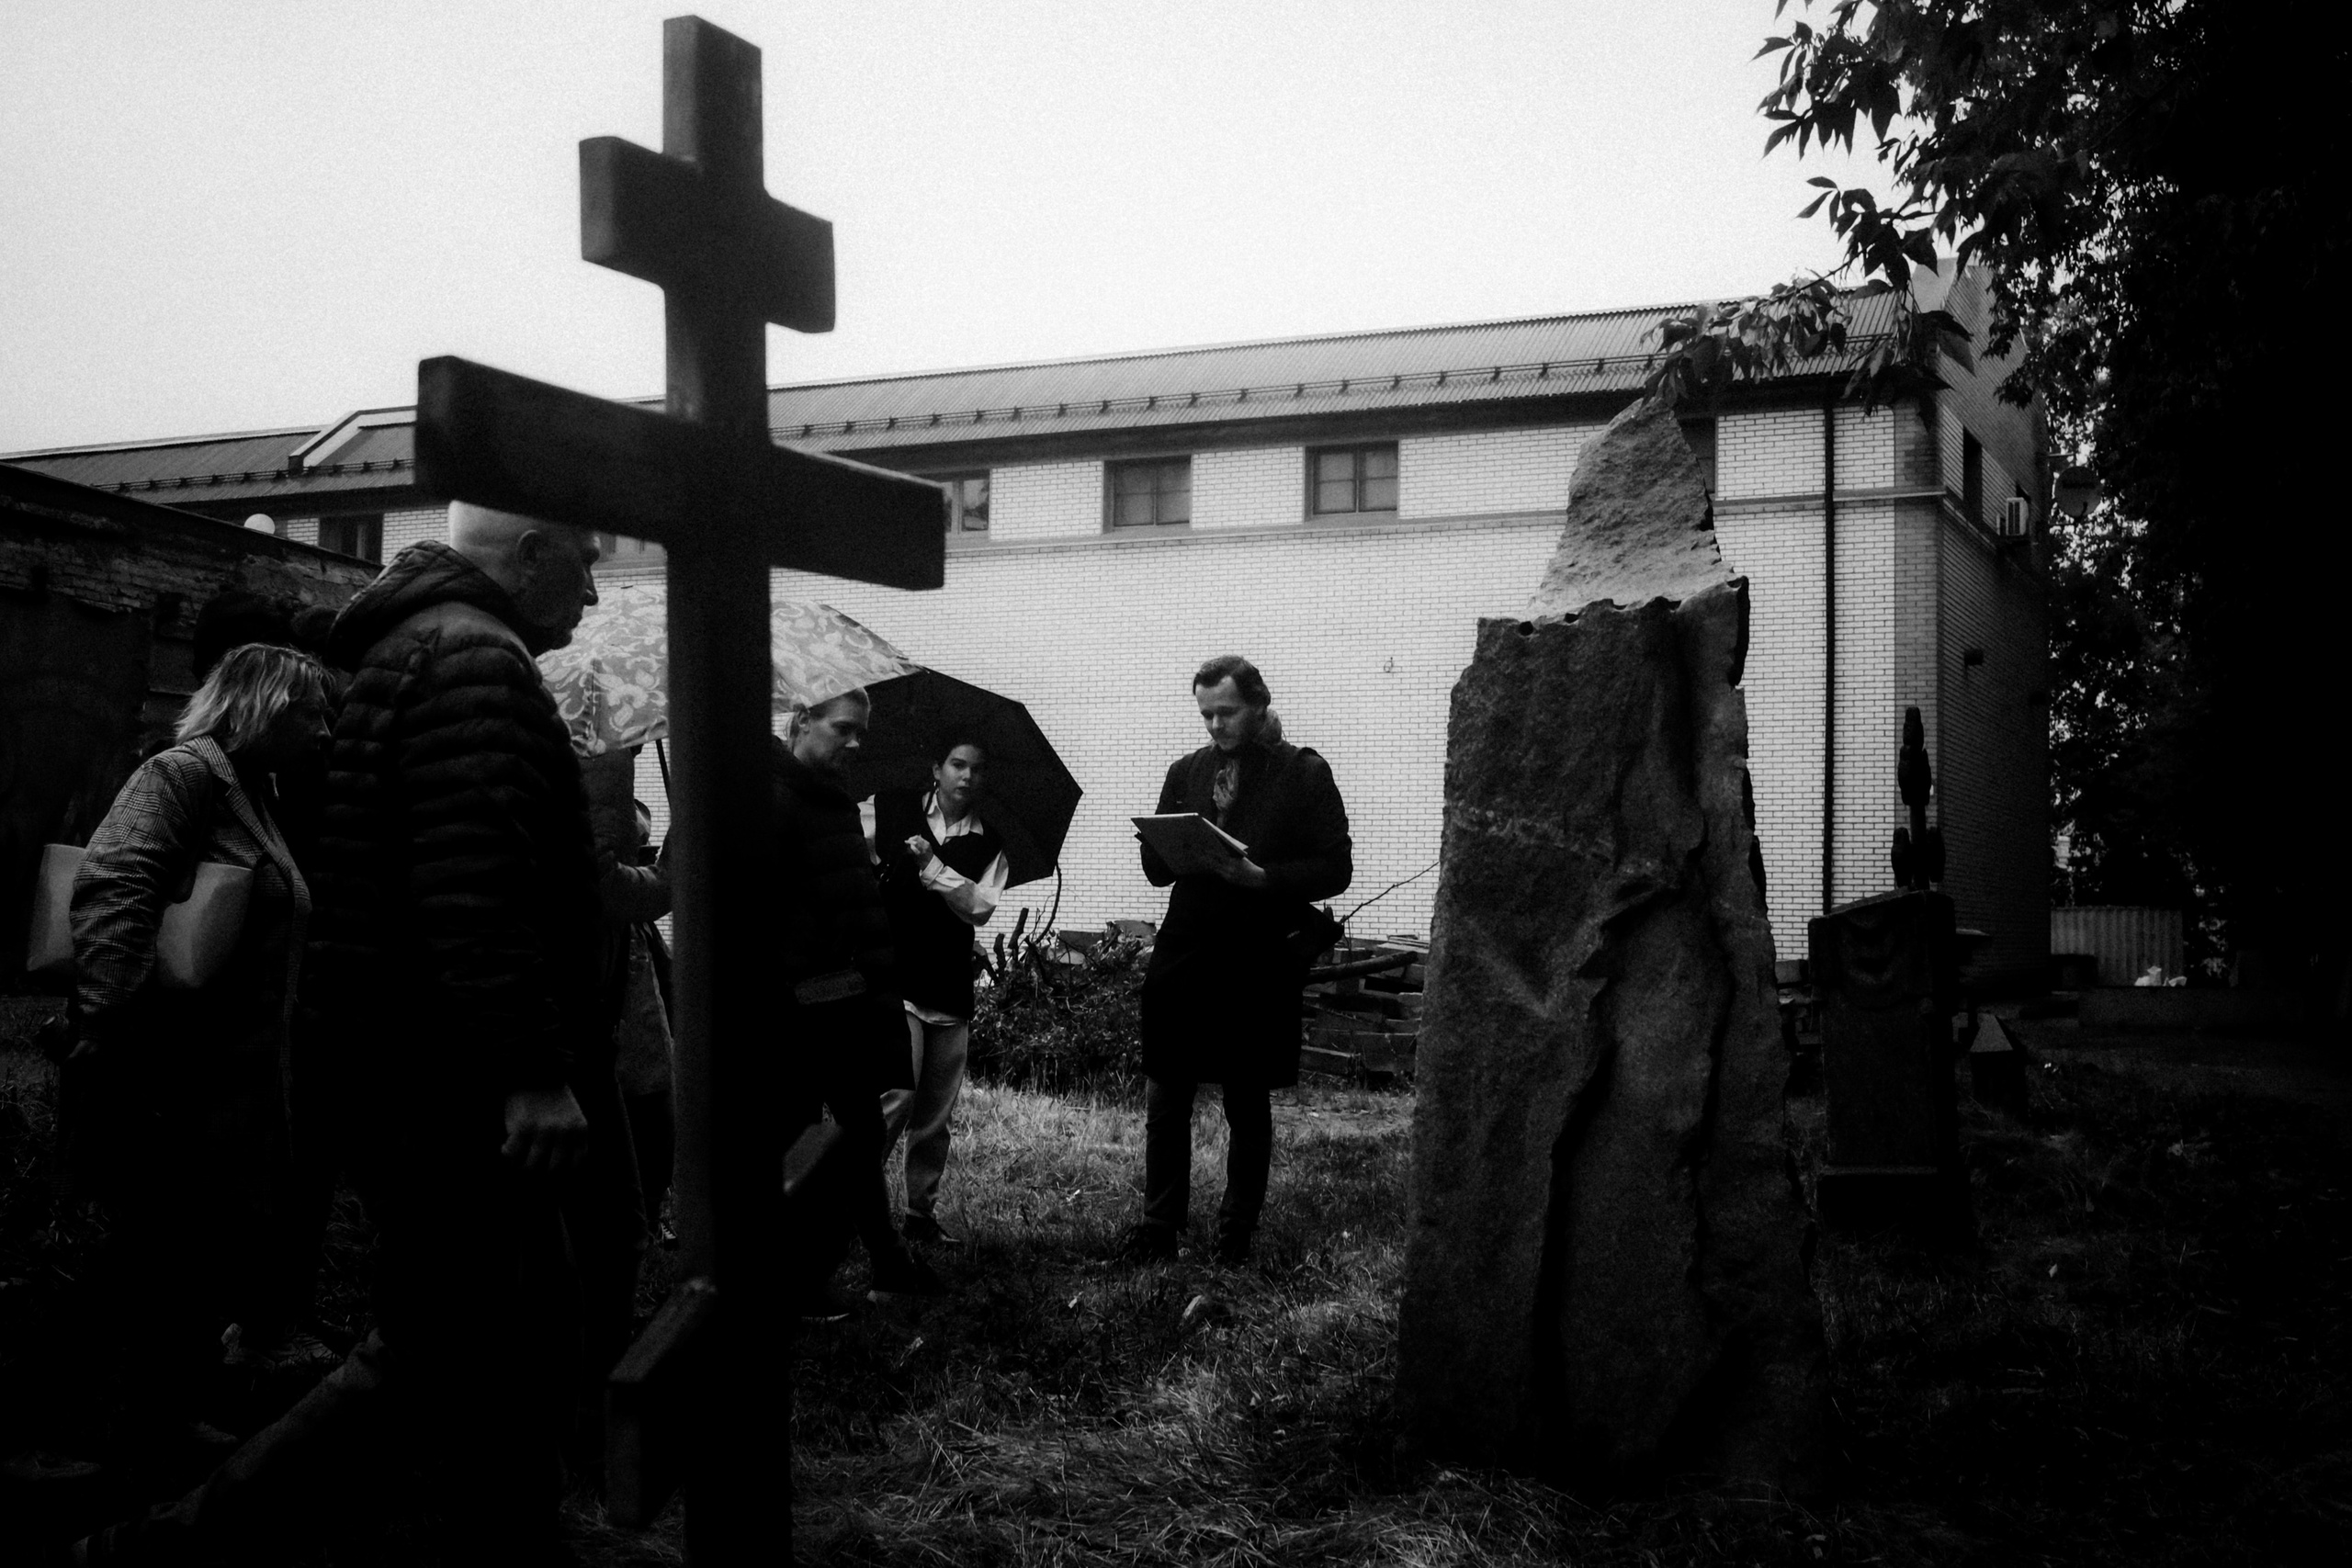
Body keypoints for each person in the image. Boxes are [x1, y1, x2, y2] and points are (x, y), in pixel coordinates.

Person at [74, 502, 606, 1563]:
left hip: (400, 1056)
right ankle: (163, 1547)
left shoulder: (408, 652)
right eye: (584, 565)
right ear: (531, 554)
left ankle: (514, 1529)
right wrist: (529, 1071)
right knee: (433, 1342)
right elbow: (471, 884)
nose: (591, 594)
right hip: (449, 1074)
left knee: (511, 1325)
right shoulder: (475, 663)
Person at [64, 643, 337, 1472]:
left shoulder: (254, 789)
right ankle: (102, 1430)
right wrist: (111, 1031)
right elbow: (118, 885)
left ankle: (162, 1412)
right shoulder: (183, 774)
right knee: (153, 1243)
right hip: (168, 1065)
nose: (323, 731)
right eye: (308, 712)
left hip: (229, 1073)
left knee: (196, 1242)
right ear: (256, 707)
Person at [1121, 655, 1351, 1267]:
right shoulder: (1185, 770)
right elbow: (1153, 870)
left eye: (1226, 712)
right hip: (1185, 953)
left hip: (1255, 960)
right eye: (1206, 714)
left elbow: (1336, 867)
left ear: (1257, 705)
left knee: (1246, 1101)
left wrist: (1260, 876)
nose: (1215, 724)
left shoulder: (1302, 771)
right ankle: (1158, 1227)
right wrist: (1167, 845)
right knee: (1166, 1096)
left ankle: (1233, 1236)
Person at [772, 689, 944, 1311]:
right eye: (844, 729)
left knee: (860, 1131)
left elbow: (834, 894)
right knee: (801, 1143)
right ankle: (795, 1278)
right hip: (801, 1009)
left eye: (861, 732)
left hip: (844, 999)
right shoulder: (773, 799)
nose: (855, 742)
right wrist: (808, 978)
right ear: (800, 722)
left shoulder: (830, 800)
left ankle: (886, 1259)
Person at [873, 739, 1008, 1246]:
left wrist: (932, 866)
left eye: (978, 767)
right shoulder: (888, 809)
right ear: (936, 768)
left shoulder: (990, 843)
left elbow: (979, 908)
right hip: (894, 978)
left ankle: (920, 1217)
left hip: (950, 985)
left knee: (935, 1115)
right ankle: (851, 1201)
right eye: (957, 764)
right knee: (896, 1098)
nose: (967, 776)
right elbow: (854, 862)